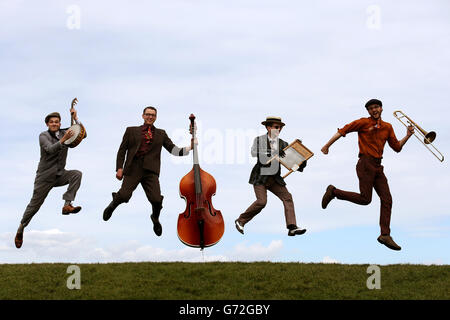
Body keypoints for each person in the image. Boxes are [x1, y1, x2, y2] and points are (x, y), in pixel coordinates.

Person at [321, 98, 414, 251]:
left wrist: (408, 135)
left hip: (378, 166)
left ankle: (385, 234)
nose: (374, 110)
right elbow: (342, 130)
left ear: (381, 108)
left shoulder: (387, 127)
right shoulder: (363, 122)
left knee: (387, 199)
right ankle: (334, 192)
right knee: (365, 199)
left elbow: (397, 147)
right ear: (368, 111)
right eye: (371, 108)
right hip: (365, 163)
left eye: (376, 107)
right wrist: (327, 145)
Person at [103, 106, 194, 236]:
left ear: (155, 117)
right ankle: (112, 205)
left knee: (157, 200)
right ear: (143, 116)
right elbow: (122, 150)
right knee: (124, 196)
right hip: (133, 168)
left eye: (153, 115)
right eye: (148, 114)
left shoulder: (161, 134)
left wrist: (190, 147)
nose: (150, 117)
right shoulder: (131, 131)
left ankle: (155, 218)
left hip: (150, 171)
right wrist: (119, 168)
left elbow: (173, 150)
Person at [14, 108, 83, 249]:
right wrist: (63, 140)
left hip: (59, 174)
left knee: (76, 174)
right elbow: (50, 150)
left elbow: (82, 134)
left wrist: (76, 119)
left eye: (57, 122)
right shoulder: (43, 136)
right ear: (47, 124)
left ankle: (67, 205)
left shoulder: (65, 132)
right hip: (44, 177)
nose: (54, 124)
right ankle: (21, 227)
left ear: (59, 123)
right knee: (34, 206)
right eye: (51, 122)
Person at [235, 116, 307, 236]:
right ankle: (241, 220)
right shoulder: (259, 140)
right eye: (276, 127)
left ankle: (292, 227)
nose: (279, 129)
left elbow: (292, 162)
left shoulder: (283, 144)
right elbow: (255, 153)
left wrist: (301, 159)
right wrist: (273, 152)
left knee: (287, 197)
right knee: (262, 202)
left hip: (274, 179)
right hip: (260, 177)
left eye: (280, 128)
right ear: (268, 127)